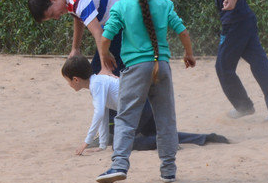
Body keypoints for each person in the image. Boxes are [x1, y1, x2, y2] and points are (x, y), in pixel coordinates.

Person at [93, 0, 197, 183]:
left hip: (135, 69)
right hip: (162, 65)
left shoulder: (121, 7)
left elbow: (105, 37)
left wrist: (105, 56)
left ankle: (120, 164)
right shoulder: (165, 4)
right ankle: (168, 169)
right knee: (166, 119)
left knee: (126, 118)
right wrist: (189, 54)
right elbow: (183, 32)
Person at [61, 54, 227, 154]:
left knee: (129, 143)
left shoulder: (96, 85)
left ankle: (167, 143)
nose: (69, 84)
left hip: (140, 110)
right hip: (143, 107)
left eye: (68, 81)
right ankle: (204, 138)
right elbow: (103, 115)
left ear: (76, 79)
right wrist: (102, 145)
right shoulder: (97, 83)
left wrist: (86, 142)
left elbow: (98, 114)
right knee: (161, 133)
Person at [29, 0, 129, 76]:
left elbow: (98, 32)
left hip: (125, 17)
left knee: (104, 73)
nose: (56, 18)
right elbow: (79, 19)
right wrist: (75, 48)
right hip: (118, 19)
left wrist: (105, 68)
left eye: (52, 14)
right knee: (98, 72)